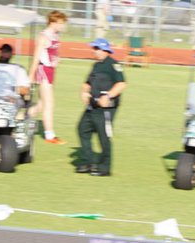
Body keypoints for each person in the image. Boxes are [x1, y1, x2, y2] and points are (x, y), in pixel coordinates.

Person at [75, 39, 126, 178]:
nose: (94, 51)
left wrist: (108, 96)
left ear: (103, 49)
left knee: (104, 136)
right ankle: (88, 162)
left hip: (106, 109)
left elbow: (121, 84)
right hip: (92, 105)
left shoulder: (113, 65)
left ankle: (104, 167)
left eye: (96, 48)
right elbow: (87, 83)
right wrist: (84, 92)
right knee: (82, 129)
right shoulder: (96, 66)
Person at [28, 10, 68, 145]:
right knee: (49, 103)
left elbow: (53, 52)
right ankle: (50, 135)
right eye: (61, 23)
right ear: (53, 22)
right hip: (43, 71)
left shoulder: (55, 35)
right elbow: (36, 58)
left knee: (40, 105)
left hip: (51, 71)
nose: (63, 26)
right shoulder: (43, 36)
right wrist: (31, 76)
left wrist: (57, 59)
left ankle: (20, 119)